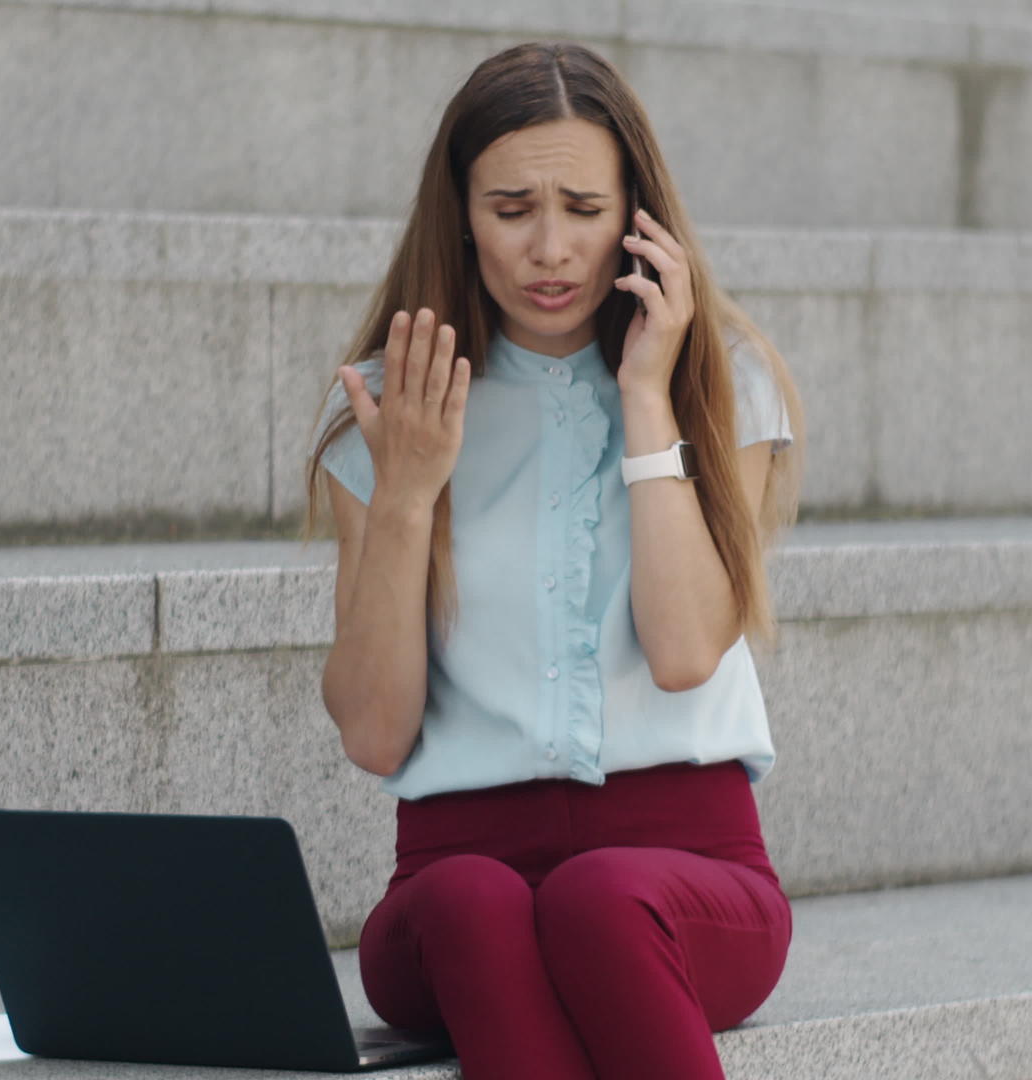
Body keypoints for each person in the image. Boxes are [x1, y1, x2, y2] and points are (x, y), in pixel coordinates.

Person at [302, 40, 806, 1080]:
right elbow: (374, 730)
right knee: (476, 900)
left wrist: (646, 399)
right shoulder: (382, 410)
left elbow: (681, 652)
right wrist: (405, 495)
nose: (550, 248)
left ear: (636, 212)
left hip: (687, 877)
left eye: (583, 208)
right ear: (461, 212)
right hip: (452, 878)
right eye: (511, 207)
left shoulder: (722, 382)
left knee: (598, 900)